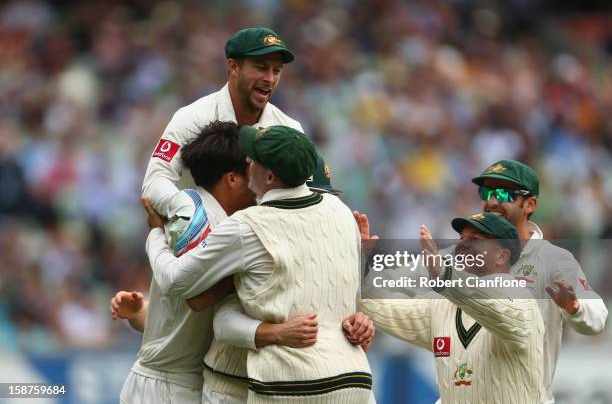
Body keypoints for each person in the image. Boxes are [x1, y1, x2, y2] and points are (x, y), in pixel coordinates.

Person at [115, 149, 374, 403]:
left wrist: (363, 303)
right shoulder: (248, 235)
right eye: (312, 197)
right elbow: (204, 308)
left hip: (302, 384)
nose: (315, 211)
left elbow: (377, 311)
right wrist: (276, 332)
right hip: (233, 386)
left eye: (321, 199)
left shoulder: (328, 238)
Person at [360, 213, 544, 403]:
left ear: (501, 256)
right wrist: (359, 269)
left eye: (475, 239)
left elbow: (496, 307)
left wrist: (444, 275)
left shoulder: (522, 301)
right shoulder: (442, 306)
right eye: (462, 238)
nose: (462, 245)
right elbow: (381, 306)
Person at [141, 27, 303, 237]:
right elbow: (155, 181)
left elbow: (306, 199)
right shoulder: (192, 118)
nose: (270, 79)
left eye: (276, 70)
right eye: (261, 68)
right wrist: (190, 215)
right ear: (233, 67)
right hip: (193, 255)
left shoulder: (290, 130)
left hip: (262, 256)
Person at [471, 159, 608, 403]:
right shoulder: (465, 255)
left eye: (503, 193)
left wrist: (574, 308)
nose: (492, 201)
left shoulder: (554, 261)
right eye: (486, 192)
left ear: (530, 204)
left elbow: (597, 317)